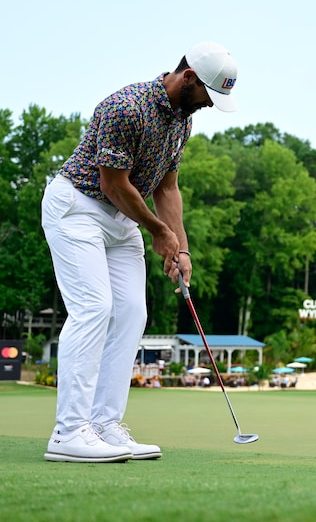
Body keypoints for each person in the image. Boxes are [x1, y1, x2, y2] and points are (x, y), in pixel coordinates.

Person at [41, 42, 239, 463]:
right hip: (78, 207)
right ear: (188, 78)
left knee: (132, 312)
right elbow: (113, 184)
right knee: (94, 308)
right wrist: (159, 232)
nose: (208, 105)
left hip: (124, 219)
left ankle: (104, 425)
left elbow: (167, 188)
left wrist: (180, 247)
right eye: (208, 95)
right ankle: (69, 432)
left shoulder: (181, 122)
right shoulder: (125, 107)